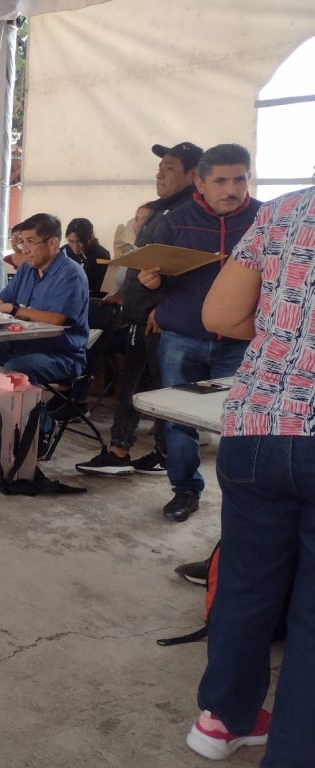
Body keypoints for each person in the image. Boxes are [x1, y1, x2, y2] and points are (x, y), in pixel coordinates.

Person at [184, 185, 315, 765]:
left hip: (258, 422)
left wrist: (286, 336)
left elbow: (219, 315)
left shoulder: (283, 210)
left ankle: (222, 720)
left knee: (245, 581)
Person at [138, 143, 261, 522]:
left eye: (239, 179)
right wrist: (150, 281)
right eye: (221, 181)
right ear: (200, 182)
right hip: (182, 339)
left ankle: (244, 501)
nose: (231, 189)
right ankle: (185, 490)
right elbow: (153, 274)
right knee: (179, 420)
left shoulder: (266, 219)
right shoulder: (174, 221)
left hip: (243, 342)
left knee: (243, 423)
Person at [75, 141, 203, 478]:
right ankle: (122, 452)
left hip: (160, 320)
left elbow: (187, 272)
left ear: (193, 174)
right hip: (140, 315)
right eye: (160, 167)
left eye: (169, 167)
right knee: (135, 384)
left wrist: (162, 308)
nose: (160, 173)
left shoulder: (190, 214)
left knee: (162, 389)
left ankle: (162, 454)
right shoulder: (162, 209)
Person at [0, 213, 89, 444]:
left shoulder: (70, 274)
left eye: (30, 242)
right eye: (21, 242)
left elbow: (57, 319)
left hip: (61, 353)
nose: (24, 249)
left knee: (16, 369)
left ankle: (43, 427)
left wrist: (14, 309)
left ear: (52, 243)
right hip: (22, 345)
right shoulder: (27, 269)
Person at [59, 218, 110, 295]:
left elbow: (102, 290)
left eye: (80, 241)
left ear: (90, 239)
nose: (75, 247)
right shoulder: (63, 252)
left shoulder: (101, 255)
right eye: (71, 241)